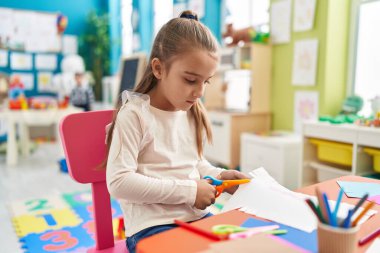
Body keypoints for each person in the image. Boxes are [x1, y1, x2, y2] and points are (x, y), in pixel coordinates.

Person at [104, 10, 249, 253]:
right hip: (152, 227)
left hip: (197, 218)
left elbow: (193, 164)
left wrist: (221, 176)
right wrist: (190, 191)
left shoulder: (190, 111)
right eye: (191, 80)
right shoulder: (135, 115)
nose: (200, 91)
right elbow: (119, 183)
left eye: (207, 81)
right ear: (159, 69)